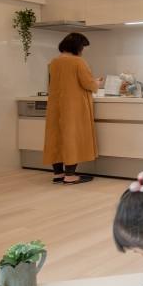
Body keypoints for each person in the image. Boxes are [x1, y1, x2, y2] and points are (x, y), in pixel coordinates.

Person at [42, 33, 103, 184]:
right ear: (77, 47)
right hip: (73, 106)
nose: (82, 50)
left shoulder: (54, 62)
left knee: (56, 137)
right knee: (72, 137)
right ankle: (70, 175)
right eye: (82, 47)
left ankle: (58, 174)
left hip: (56, 106)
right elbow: (88, 83)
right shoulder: (78, 62)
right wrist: (97, 82)